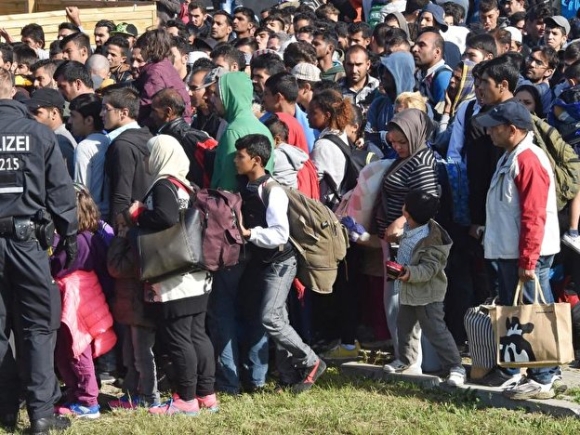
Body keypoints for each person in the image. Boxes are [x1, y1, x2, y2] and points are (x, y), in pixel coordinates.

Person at [0, 68, 77, 434]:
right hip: (26, 243)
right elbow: (61, 192)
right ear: (13, 91)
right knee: (37, 329)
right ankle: (42, 414)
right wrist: (70, 234)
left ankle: (4, 410)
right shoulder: (38, 134)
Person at [121, 135, 217, 415]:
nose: (147, 160)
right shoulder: (186, 184)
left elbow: (164, 217)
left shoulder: (163, 185)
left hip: (174, 276)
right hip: (196, 275)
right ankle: (206, 394)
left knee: (178, 338)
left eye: (150, 154)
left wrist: (137, 214)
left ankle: (185, 399)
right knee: (198, 335)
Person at [476, 100, 563, 399]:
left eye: (494, 127)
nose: (488, 132)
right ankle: (539, 371)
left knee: (533, 311)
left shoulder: (528, 159)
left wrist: (528, 258)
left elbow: (533, 214)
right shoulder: (512, 155)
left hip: (527, 253)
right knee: (525, 311)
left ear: (511, 130)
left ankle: (543, 377)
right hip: (515, 251)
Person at [234, 134, 327, 393]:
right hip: (263, 263)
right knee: (280, 318)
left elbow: (279, 234)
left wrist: (250, 234)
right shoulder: (247, 186)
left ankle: (311, 361)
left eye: (240, 156)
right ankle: (288, 376)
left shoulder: (272, 191)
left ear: (257, 160)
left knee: (271, 318)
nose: (235, 160)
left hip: (280, 263)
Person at [207, 70, 274, 394]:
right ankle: (257, 376)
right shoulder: (261, 127)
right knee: (255, 307)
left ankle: (229, 379)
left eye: (217, 94)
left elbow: (221, 187)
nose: (213, 100)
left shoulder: (232, 130)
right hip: (261, 234)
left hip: (231, 235)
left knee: (223, 307)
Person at [374, 109, 439, 371]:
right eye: (393, 143)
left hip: (409, 245)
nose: (397, 147)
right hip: (397, 243)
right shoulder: (410, 157)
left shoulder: (421, 162)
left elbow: (427, 201)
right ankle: (413, 358)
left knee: (402, 304)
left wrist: (401, 222)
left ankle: (409, 361)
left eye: (402, 142)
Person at [382, 190, 465, 387]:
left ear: (408, 211)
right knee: (404, 327)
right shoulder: (411, 228)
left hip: (427, 295)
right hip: (408, 291)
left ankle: (456, 367)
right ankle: (406, 360)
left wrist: (407, 273)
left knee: (436, 331)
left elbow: (428, 269)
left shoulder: (432, 239)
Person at [52, 184, 117, 419]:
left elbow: (58, 266)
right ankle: (76, 394)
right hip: (91, 295)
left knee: (77, 351)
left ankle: (88, 401)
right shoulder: (93, 236)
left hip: (75, 299)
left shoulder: (73, 241)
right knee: (75, 350)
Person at [133, 29, 192, 125]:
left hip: (167, 123)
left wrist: (132, 115)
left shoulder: (155, 72)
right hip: (181, 119)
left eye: (142, 49)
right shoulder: (165, 65)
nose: (141, 53)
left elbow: (149, 101)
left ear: (149, 48)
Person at [69, 93, 111, 217]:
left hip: (90, 218)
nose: (70, 121)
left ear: (89, 120)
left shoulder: (84, 147)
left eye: (73, 116)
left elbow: (80, 191)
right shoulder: (108, 140)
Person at [26, 88, 77, 177]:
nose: (31, 117)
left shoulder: (60, 141)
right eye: (29, 112)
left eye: (36, 112)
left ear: (54, 113)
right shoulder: (53, 138)